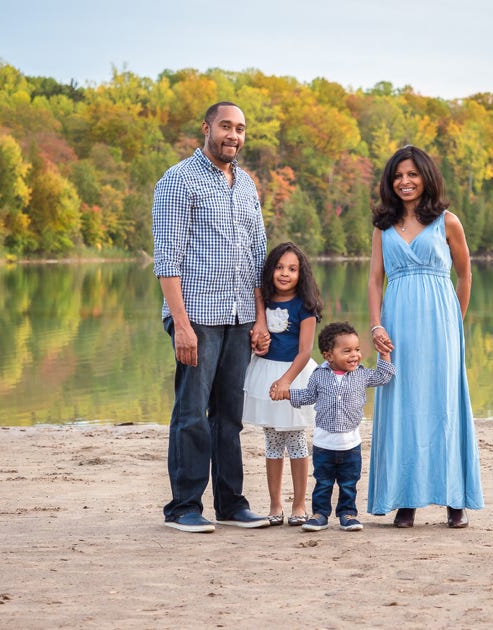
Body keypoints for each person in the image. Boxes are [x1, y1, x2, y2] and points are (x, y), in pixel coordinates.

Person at [152, 101, 271, 533]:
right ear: (206, 128)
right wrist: (181, 324)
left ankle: (231, 503)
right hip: (197, 316)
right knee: (191, 412)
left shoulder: (246, 186)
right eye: (225, 126)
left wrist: (260, 319)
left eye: (240, 129)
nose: (233, 136)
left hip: (240, 317)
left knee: (230, 415)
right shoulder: (178, 181)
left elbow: (259, 258)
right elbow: (168, 260)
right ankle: (183, 506)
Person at [367, 145, 484, 529]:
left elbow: (465, 274)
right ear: (390, 181)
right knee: (402, 403)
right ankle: (406, 499)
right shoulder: (383, 227)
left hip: (441, 323)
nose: (405, 181)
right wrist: (375, 325)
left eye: (412, 174)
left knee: (443, 405)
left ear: (426, 177)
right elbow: (374, 279)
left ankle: (454, 500)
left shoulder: (448, 222)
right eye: (398, 175)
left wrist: (455, 319)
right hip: (397, 322)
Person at [273, 322, 395, 532]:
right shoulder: (319, 375)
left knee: (349, 483)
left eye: (357, 349)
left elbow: (383, 377)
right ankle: (320, 514)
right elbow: (309, 395)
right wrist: (288, 394)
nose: (354, 355)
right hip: (324, 444)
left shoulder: (362, 375)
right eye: (346, 351)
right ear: (328, 355)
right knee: (323, 482)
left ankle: (348, 514)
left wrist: (384, 355)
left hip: (351, 445)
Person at [242, 242, 322, 527]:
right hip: (265, 374)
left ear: (302, 274)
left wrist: (286, 381)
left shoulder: (305, 306)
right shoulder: (262, 300)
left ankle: (299, 504)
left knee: (297, 442)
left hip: (294, 375)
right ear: (270, 270)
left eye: (292, 269)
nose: (285, 273)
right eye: (279, 267)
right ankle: (275, 504)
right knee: (273, 442)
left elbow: (305, 351)